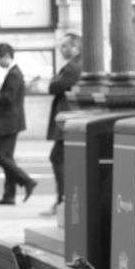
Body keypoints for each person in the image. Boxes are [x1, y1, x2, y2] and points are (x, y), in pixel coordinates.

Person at [0, 42, 35, 205]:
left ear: (6, 56)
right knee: (7, 157)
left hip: (8, 122)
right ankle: (9, 195)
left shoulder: (14, 74)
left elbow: (8, 99)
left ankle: (26, 180)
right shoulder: (13, 73)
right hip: (11, 121)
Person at [46, 32, 82, 209]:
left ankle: (63, 199)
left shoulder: (73, 68)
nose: (61, 49)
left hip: (67, 119)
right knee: (60, 158)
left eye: (65, 45)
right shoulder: (74, 66)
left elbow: (53, 86)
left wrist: (55, 80)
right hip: (69, 119)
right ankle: (64, 198)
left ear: (75, 47)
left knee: (57, 158)